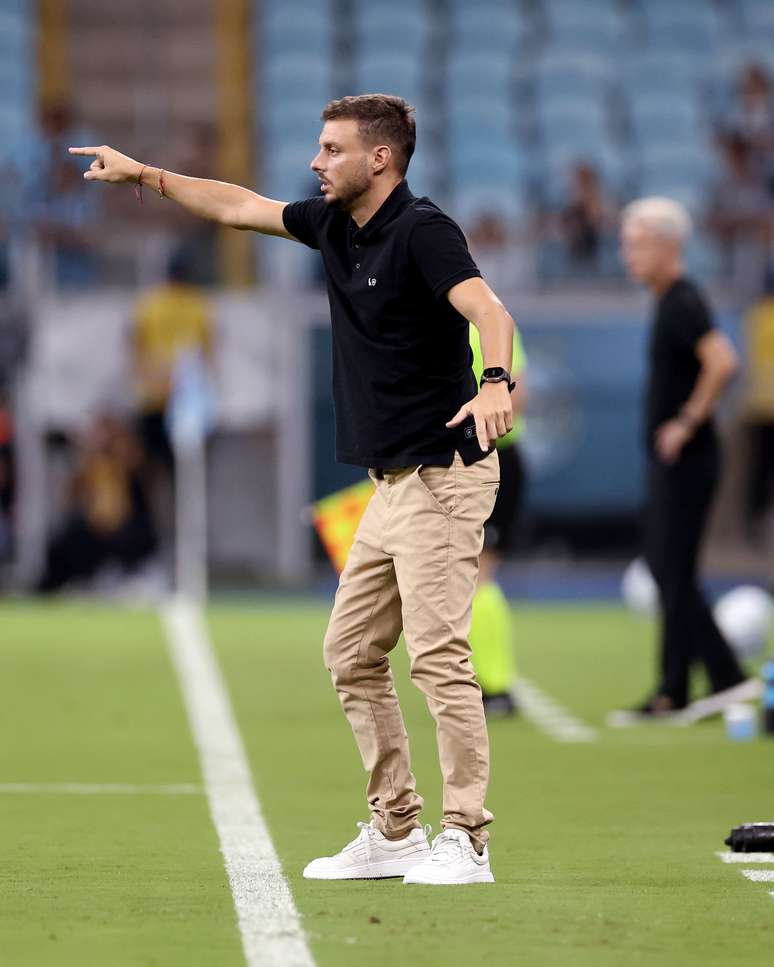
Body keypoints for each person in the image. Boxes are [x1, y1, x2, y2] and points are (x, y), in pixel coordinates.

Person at [70, 93, 518, 885]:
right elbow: (240, 206)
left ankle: (467, 837)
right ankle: (395, 829)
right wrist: (145, 174)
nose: (317, 162)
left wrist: (493, 380)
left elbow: (488, 308)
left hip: (443, 476)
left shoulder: (424, 230)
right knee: (349, 652)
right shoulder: (334, 224)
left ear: (379, 158)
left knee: (440, 656)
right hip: (391, 486)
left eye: (332, 148)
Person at [610, 197, 761, 727]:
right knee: (668, 570)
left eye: (638, 243)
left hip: (689, 460)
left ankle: (707, 683)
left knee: (671, 570)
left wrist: (686, 422)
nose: (628, 254)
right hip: (677, 462)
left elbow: (723, 361)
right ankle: (691, 686)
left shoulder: (682, 300)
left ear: (670, 246)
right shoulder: (669, 300)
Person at [468, 322, 528, 718]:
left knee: (478, 575)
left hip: (493, 459)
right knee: (465, 578)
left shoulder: (486, 319)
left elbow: (516, 393)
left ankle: (497, 686)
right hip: (469, 460)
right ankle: (485, 685)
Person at [36, 413, 157, 593]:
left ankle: (130, 578)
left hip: (126, 526)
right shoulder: (90, 464)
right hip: (94, 528)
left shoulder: (128, 460)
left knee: (134, 537)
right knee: (68, 539)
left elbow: (145, 475)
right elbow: (70, 497)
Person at [741, 268, 774, 544]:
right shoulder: (761, 318)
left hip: (759, 406)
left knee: (760, 469)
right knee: (761, 469)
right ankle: (758, 521)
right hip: (763, 407)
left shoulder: (755, 317)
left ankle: (757, 520)